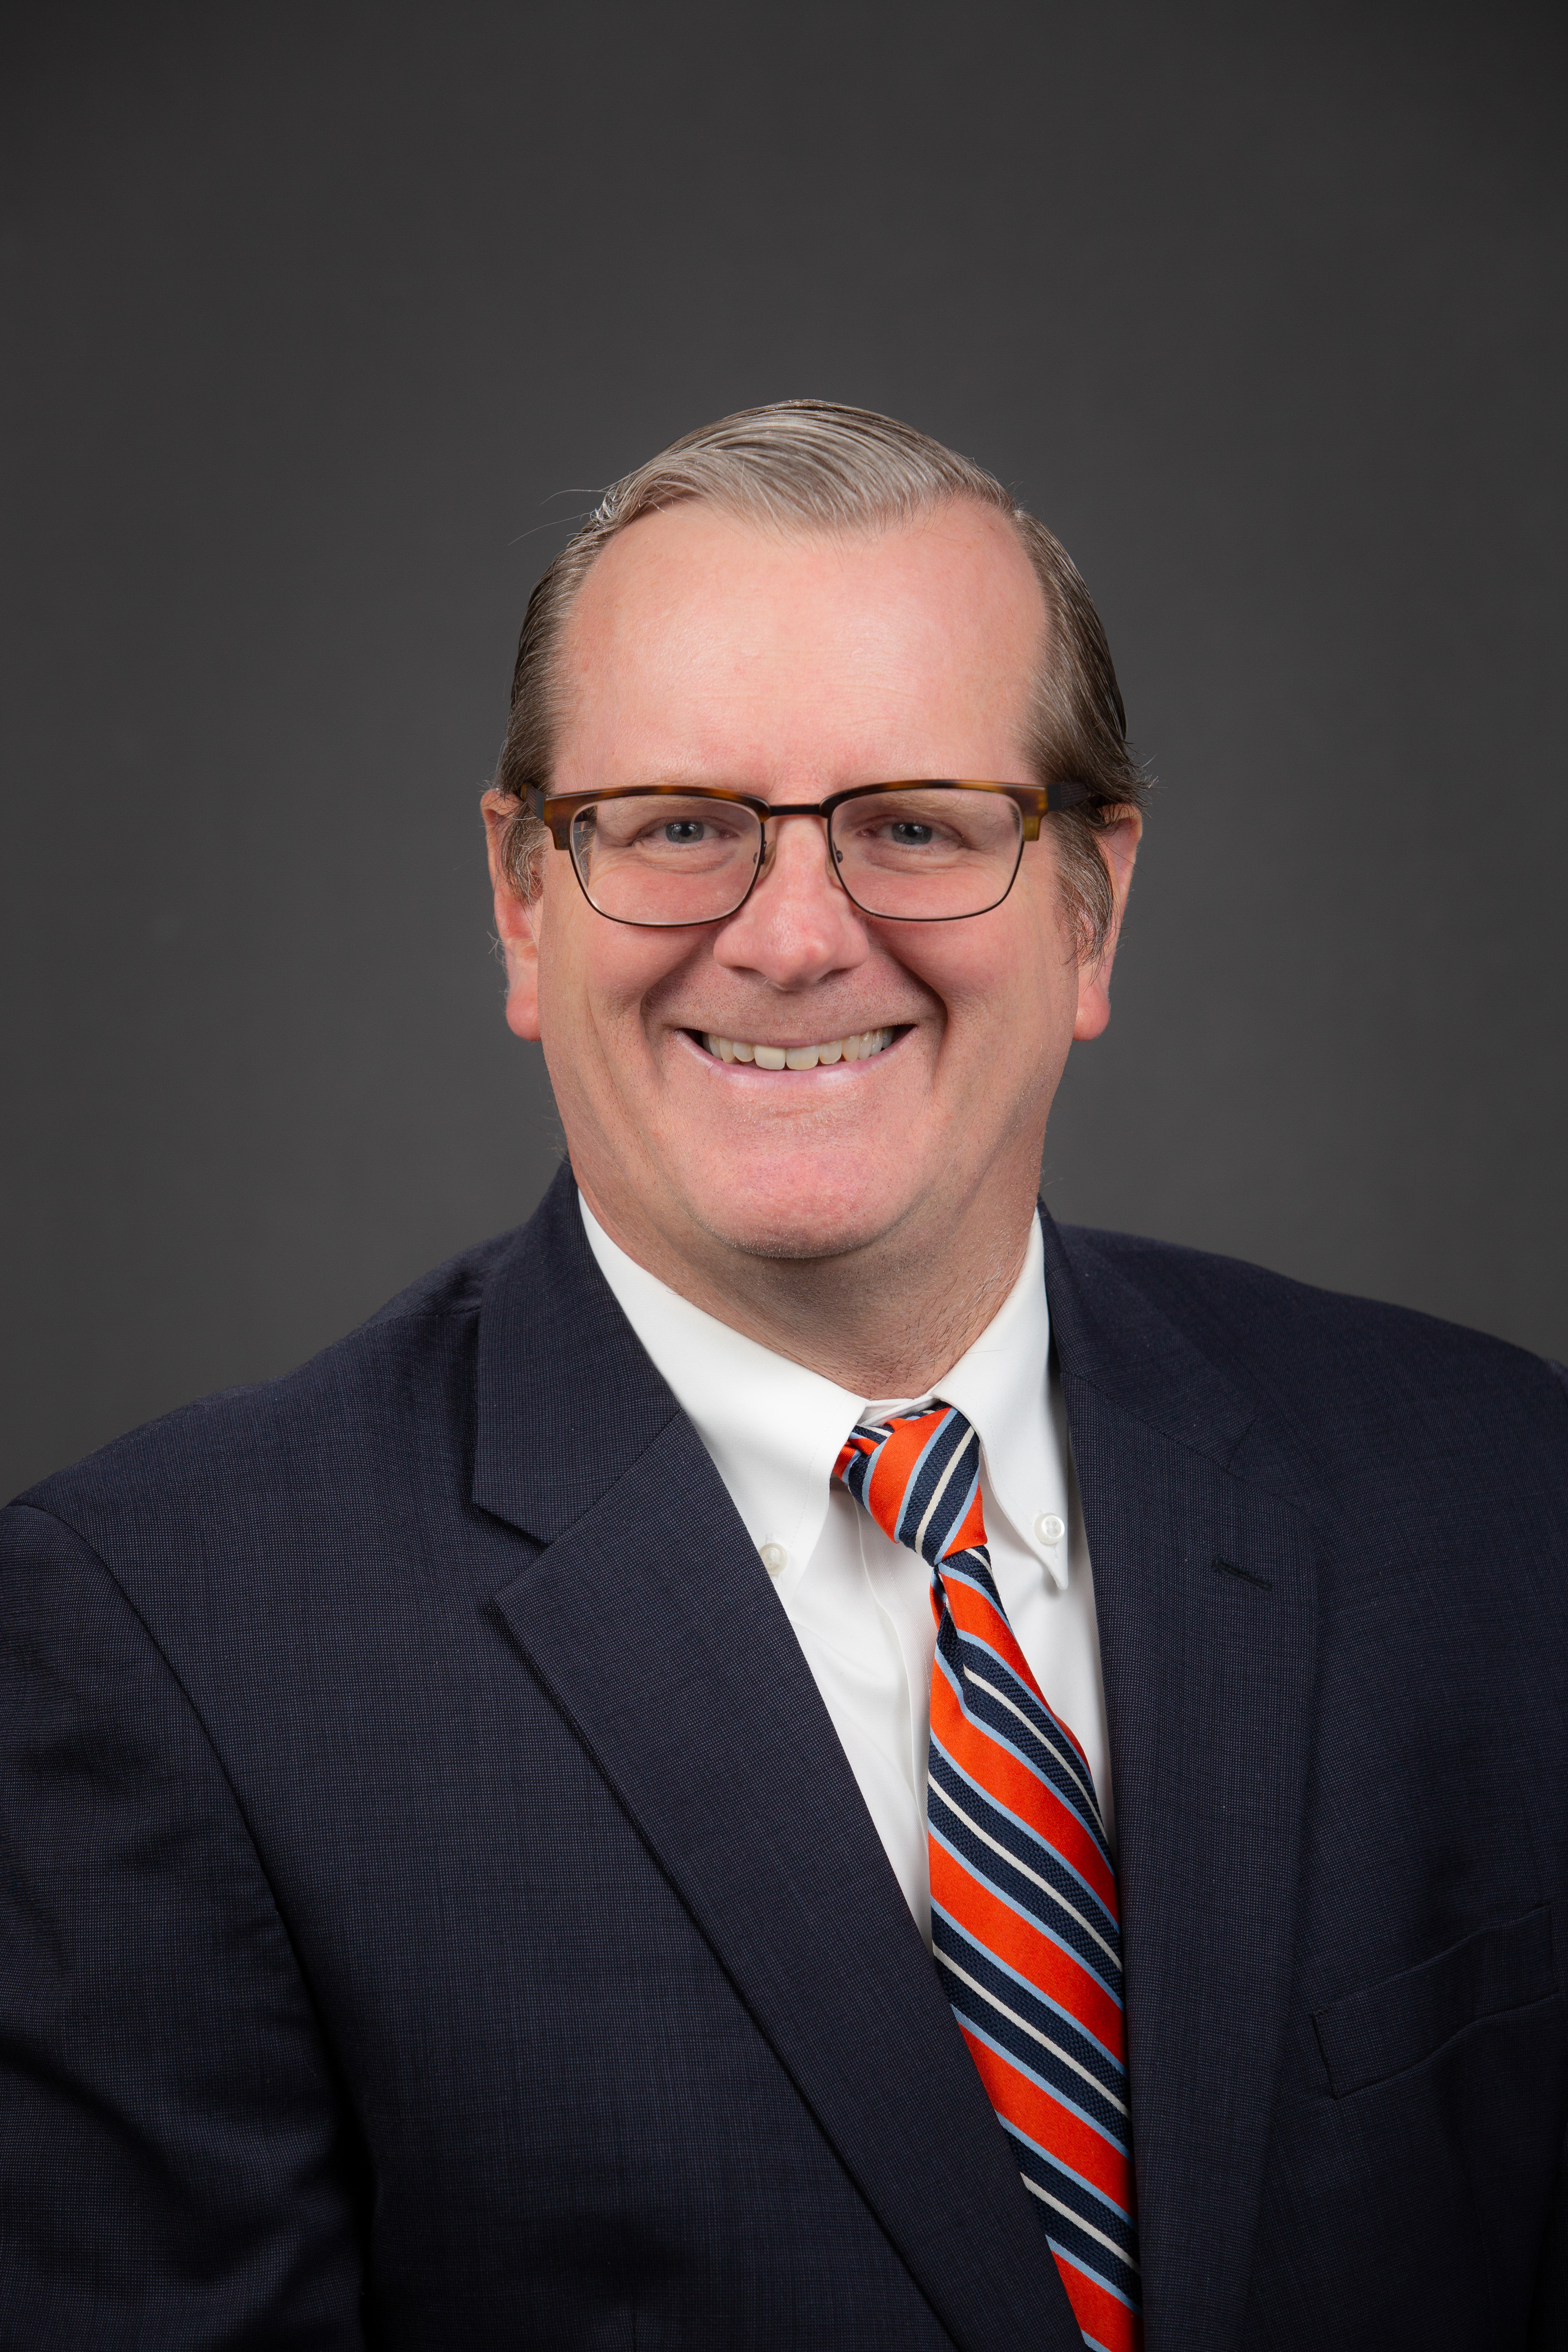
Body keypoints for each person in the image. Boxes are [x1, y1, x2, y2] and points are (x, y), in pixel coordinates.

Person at [2, 402, 1564, 2352]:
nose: (799, 937)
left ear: (1096, 904)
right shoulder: (168, 1646)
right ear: (520, 903)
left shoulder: (1500, 1500)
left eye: (918, 824)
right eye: (677, 829)